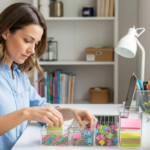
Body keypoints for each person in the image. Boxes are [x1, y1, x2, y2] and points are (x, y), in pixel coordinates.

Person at [0, 3, 98, 150]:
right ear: (6, 32)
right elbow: (30, 112)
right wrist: (25, 113)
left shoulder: (19, 75)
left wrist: (73, 112)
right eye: (27, 40)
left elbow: (42, 110)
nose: (32, 50)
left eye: (36, 43)